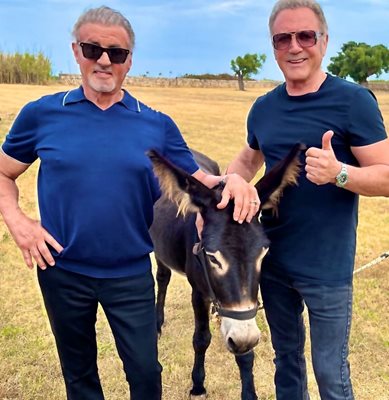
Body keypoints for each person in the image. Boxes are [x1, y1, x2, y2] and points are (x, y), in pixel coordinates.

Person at [0, 6, 260, 400]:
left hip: (130, 275)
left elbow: (204, 181)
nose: (104, 60)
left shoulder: (155, 124)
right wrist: (18, 222)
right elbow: (4, 172)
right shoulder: (41, 115)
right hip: (61, 272)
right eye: (92, 49)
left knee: (145, 373)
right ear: (76, 51)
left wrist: (235, 180)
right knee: (79, 373)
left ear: (129, 61)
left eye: (116, 53)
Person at [226, 0, 389, 399]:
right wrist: (232, 181)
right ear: (273, 46)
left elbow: (386, 175)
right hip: (273, 264)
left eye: (305, 36)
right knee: (287, 363)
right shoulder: (263, 108)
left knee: (330, 373)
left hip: (326, 267)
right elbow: (249, 159)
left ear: (324, 41)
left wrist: (341, 174)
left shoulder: (353, 102)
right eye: (283, 38)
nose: (295, 46)